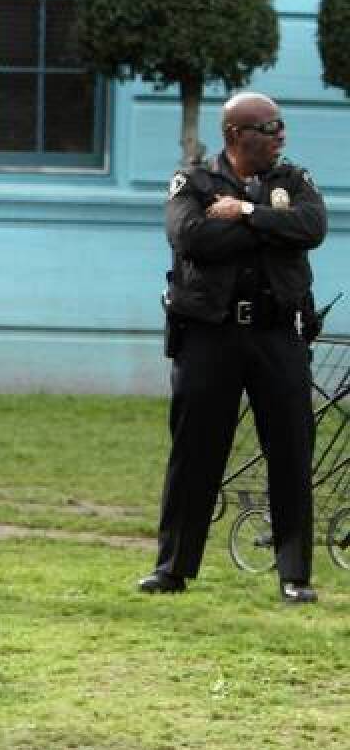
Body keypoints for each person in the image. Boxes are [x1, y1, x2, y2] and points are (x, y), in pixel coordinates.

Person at [138, 92, 327, 603]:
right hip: (209, 335)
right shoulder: (193, 181)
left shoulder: (293, 179)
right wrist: (269, 228)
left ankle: (294, 575)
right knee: (195, 451)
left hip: (276, 334)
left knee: (290, 450)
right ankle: (173, 568)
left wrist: (244, 211)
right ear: (234, 136)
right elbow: (192, 238)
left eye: (280, 126)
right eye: (269, 128)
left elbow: (312, 227)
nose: (280, 135)